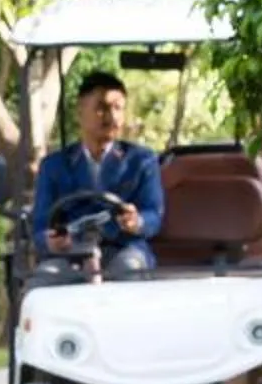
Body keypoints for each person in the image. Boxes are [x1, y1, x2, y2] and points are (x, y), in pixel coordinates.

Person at [30, 70, 166, 275]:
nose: (112, 117)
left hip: (124, 249)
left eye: (118, 108)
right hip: (70, 253)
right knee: (45, 277)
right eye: (102, 108)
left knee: (129, 269)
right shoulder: (54, 165)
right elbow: (40, 225)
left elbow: (154, 214)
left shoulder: (141, 160)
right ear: (80, 111)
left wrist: (137, 221)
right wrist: (51, 241)